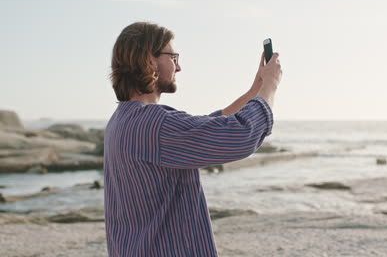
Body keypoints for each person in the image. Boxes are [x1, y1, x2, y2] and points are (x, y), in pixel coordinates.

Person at [104, 21, 282, 257]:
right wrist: (270, 86)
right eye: (174, 57)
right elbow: (240, 135)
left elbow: (209, 126)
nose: (179, 67)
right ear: (149, 60)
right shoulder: (154, 125)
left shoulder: (124, 120)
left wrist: (255, 89)